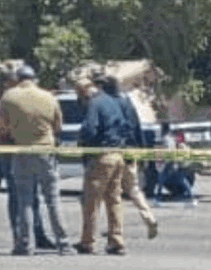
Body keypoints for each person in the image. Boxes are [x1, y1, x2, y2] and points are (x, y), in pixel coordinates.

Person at [0, 65, 71, 255]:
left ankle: (26, 244)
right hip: (46, 151)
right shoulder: (48, 97)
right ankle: (63, 243)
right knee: (53, 200)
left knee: (25, 201)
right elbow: (58, 126)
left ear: (18, 78)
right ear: (34, 78)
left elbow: (1, 128)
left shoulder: (9, 97)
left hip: (22, 152)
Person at [0, 70, 54, 250]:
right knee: (16, 197)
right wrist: (15, 130)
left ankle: (39, 235)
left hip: (24, 152)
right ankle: (19, 236)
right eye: (14, 82)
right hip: (10, 154)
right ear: (7, 84)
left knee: (33, 196)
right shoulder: (0, 102)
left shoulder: (20, 99)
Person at [77, 76, 130, 255]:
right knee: (114, 199)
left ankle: (87, 241)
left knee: (91, 200)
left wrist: (83, 144)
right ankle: (117, 240)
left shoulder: (94, 104)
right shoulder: (113, 102)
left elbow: (90, 129)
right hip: (117, 154)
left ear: (85, 91)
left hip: (101, 156)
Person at [114, 86, 159, 239]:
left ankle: (116, 228)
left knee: (114, 193)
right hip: (131, 153)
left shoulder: (110, 106)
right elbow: (138, 129)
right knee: (133, 189)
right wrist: (141, 153)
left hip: (116, 152)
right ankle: (149, 218)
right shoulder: (129, 107)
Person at [155, 124, 197, 205]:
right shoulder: (171, 138)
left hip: (168, 163)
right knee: (180, 180)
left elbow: (166, 151)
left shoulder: (165, 139)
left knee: (162, 180)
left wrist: (161, 159)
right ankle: (190, 197)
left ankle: (158, 198)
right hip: (173, 162)